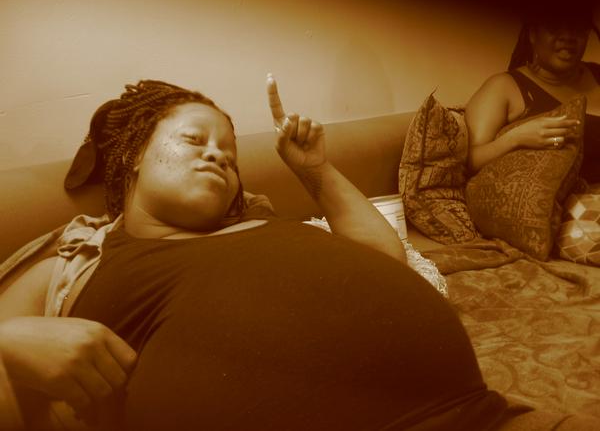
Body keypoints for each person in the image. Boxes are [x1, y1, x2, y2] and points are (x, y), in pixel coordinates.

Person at [1, 76, 515, 431]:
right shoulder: (73, 261)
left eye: (229, 156)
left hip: (480, 415)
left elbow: (386, 258)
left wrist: (312, 168)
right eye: (194, 139)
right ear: (133, 156)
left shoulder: (266, 226)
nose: (216, 155)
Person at [465, 0, 600, 183]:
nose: (568, 36)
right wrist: (516, 139)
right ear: (533, 34)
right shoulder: (504, 87)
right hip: (566, 198)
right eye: (555, 26)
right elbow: (470, 161)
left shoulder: (596, 74)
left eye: (577, 28)